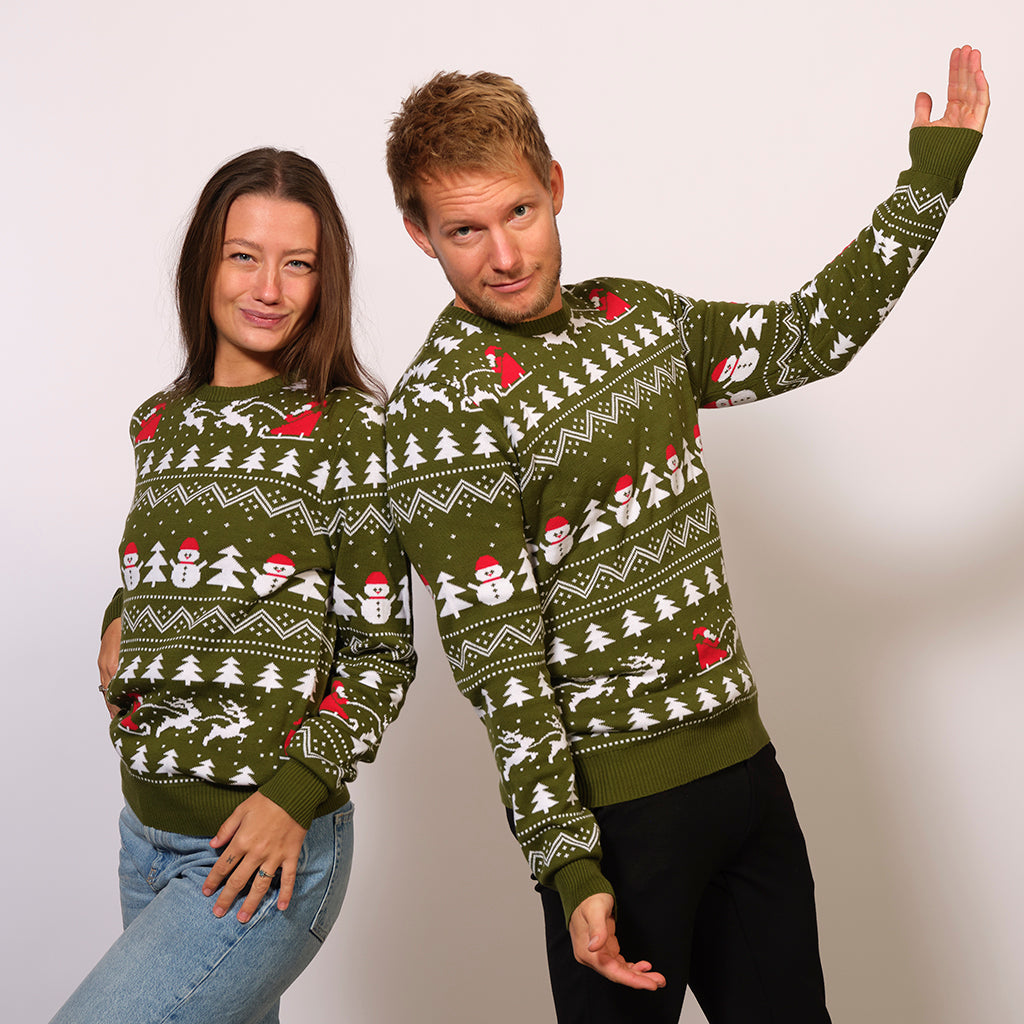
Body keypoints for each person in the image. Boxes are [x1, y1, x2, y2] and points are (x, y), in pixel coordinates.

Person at [383, 47, 988, 1023]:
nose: (504, 255)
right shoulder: (437, 411)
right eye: (465, 230)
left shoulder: (637, 319)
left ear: (555, 187)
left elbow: (805, 336)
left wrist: (930, 182)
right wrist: (569, 864)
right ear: (421, 235)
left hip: (744, 776)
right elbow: (499, 660)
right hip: (618, 819)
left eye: (519, 213)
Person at [51, 148, 417, 1024]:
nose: (269, 288)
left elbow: (380, 653)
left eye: (299, 264)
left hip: (263, 846)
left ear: (325, 282)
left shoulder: (349, 430)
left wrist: (292, 797)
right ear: (203, 264)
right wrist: (118, 617)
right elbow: (158, 563)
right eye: (243, 256)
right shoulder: (158, 422)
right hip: (143, 835)